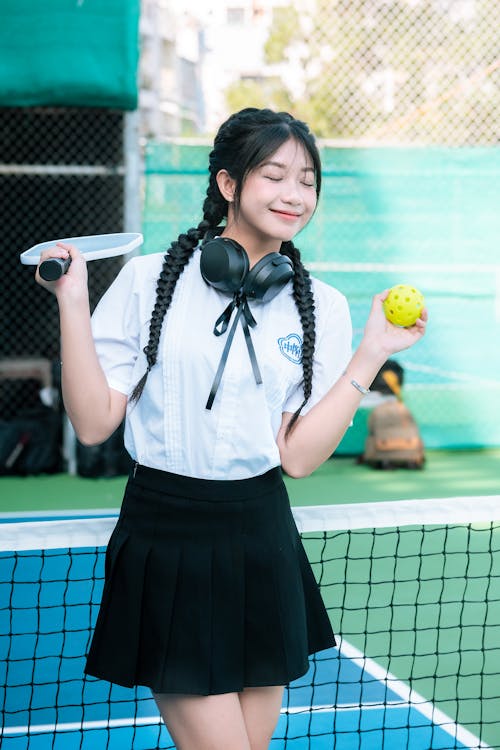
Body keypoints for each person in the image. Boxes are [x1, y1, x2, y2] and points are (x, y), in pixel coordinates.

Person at [36, 107, 427, 750]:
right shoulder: (147, 282)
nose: (294, 194)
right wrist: (72, 301)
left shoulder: (319, 304)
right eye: (274, 175)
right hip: (169, 532)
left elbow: (298, 458)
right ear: (227, 184)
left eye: (307, 180)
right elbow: (92, 421)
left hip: (262, 535)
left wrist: (371, 353)